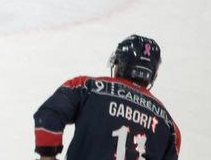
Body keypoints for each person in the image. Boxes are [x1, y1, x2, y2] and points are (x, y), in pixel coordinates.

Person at [33, 35, 181, 160]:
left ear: (119, 64)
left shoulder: (88, 87)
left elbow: (49, 115)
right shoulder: (169, 126)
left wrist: (47, 155)